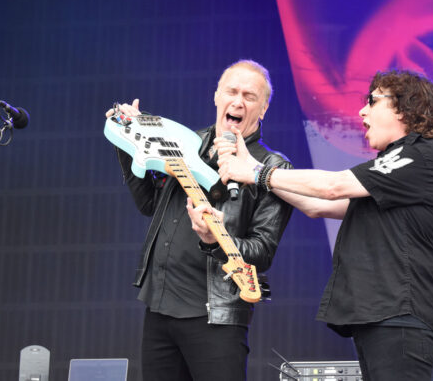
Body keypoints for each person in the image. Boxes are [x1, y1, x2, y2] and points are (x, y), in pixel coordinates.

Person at [217, 70, 433, 381]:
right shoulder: (394, 175)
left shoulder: (419, 155)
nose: (362, 111)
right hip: (382, 317)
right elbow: (317, 205)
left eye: (372, 101)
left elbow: (333, 186)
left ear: (404, 108)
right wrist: (254, 169)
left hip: (402, 315)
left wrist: (256, 173)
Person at [106, 60, 293, 381]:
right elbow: (150, 203)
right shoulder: (184, 142)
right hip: (159, 307)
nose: (238, 102)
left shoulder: (271, 168)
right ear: (216, 96)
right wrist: (128, 140)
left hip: (216, 318)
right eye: (231, 92)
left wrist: (215, 240)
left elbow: (262, 251)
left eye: (249, 96)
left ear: (263, 109)